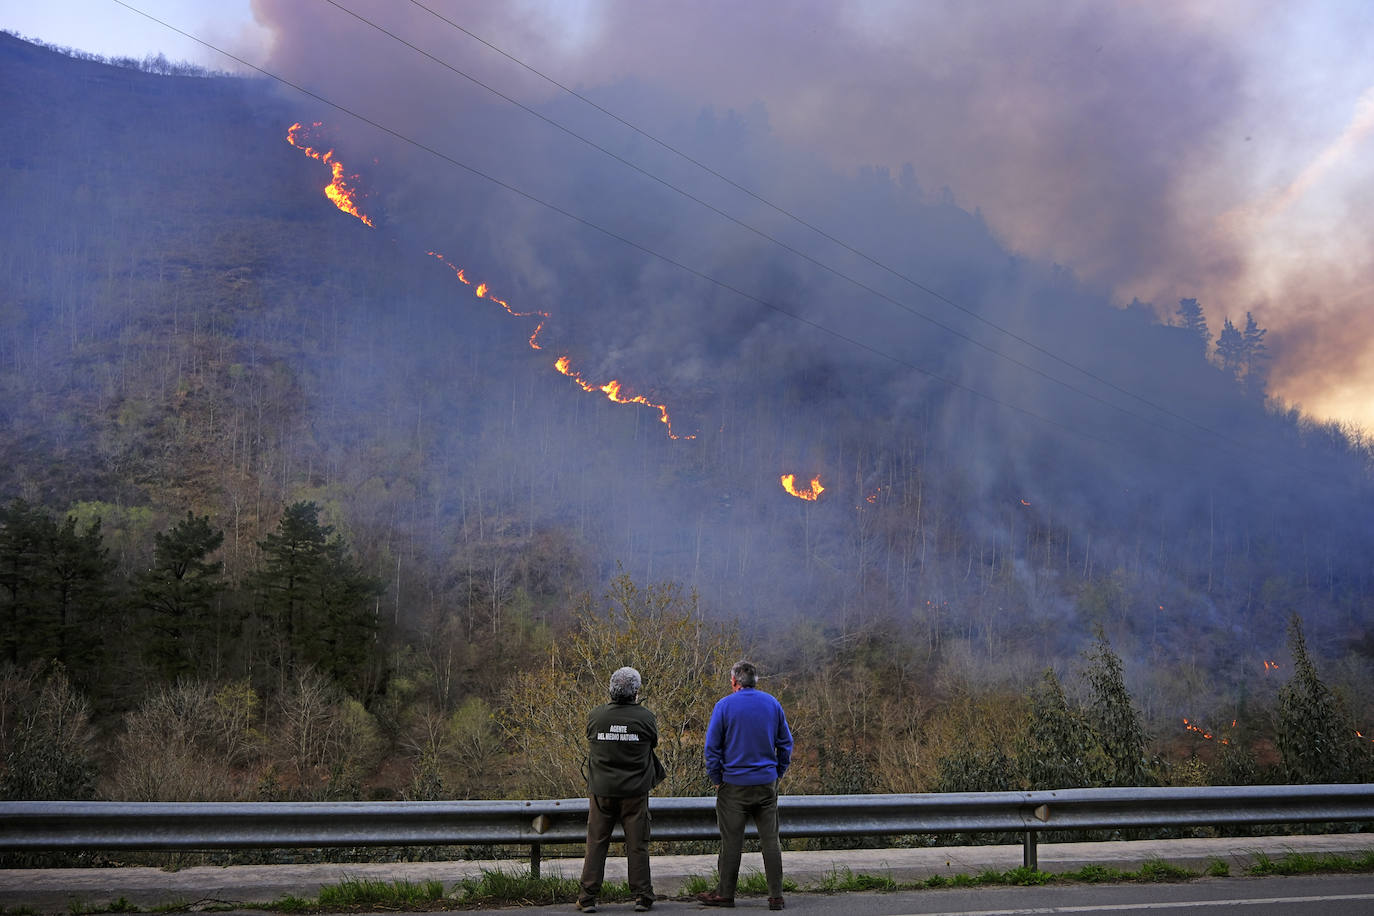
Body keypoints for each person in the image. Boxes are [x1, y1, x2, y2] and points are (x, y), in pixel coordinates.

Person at [697, 660, 793, 910]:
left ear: (733, 681)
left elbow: (712, 748)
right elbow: (785, 744)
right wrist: (777, 772)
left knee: (731, 842)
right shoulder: (772, 704)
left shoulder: (724, 706)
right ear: (755, 681)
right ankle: (776, 896)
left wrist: (717, 779)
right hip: (765, 783)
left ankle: (725, 894)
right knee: (771, 840)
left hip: (733, 785)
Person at [578, 666, 660, 913]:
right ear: (636, 692)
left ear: (611, 690)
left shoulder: (596, 716)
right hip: (635, 792)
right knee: (637, 844)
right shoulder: (646, 718)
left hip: (602, 791)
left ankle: (587, 897)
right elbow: (652, 742)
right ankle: (642, 896)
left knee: (596, 843)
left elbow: (591, 738)